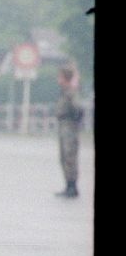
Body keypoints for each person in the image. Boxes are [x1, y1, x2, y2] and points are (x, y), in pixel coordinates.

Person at [55, 63, 83, 198]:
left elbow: (78, 109)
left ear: (65, 77)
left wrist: (74, 123)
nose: (58, 79)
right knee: (64, 157)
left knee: (69, 156)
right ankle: (68, 185)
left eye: (60, 76)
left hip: (69, 126)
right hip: (63, 125)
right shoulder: (65, 91)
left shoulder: (71, 92)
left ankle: (72, 186)